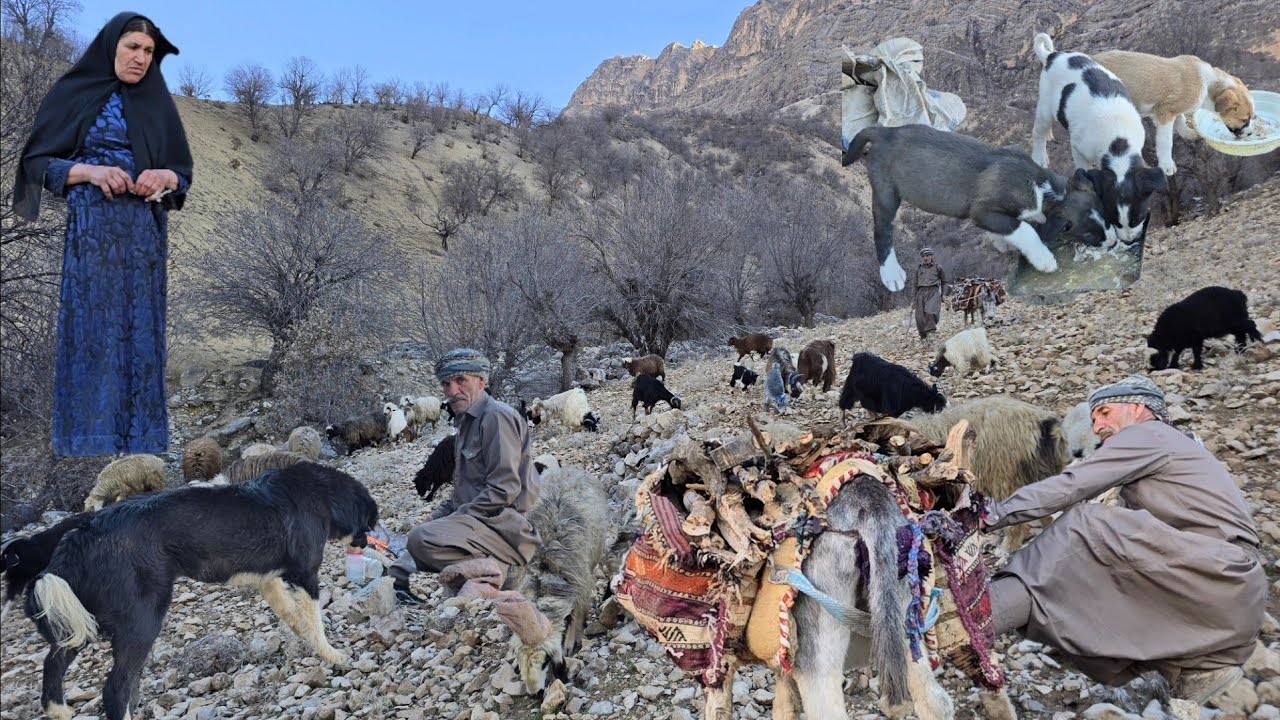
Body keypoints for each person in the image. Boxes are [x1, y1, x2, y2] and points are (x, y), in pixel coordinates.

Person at [982, 375, 1265, 706]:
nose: (1097, 427)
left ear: (1138, 408)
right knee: (1095, 565)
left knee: (1083, 525)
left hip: (1218, 573)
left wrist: (988, 514)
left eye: (1104, 413)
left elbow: (1072, 484)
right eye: (1092, 420)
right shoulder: (1178, 446)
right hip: (1226, 596)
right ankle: (1188, 666)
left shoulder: (1149, 434)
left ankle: (980, 614)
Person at [13, 12, 193, 457]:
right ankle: (87, 450)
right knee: (92, 335)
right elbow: (36, 163)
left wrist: (163, 176)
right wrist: (90, 172)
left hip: (144, 241)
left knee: (141, 339)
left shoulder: (157, 103)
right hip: (92, 239)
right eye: (133, 47)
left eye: (149, 51)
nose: (141, 58)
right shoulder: (75, 93)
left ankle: (142, 453)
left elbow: (182, 174)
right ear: (112, 46)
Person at [390, 349, 540, 605]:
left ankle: (497, 569)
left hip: (505, 526)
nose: (452, 390)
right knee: (421, 532)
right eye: (446, 384)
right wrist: (435, 518)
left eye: (461, 380)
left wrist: (451, 520)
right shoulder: (467, 423)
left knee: (421, 539)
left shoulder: (496, 417)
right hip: (480, 522)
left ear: (483, 381)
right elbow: (464, 492)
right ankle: (403, 580)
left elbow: (504, 489)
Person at [912, 247, 948, 342]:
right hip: (921, 294)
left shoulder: (938, 268)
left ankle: (931, 335)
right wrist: (914, 300)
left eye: (927, 256)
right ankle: (923, 337)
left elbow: (944, 282)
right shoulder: (918, 269)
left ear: (931, 256)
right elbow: (915, 285)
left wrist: (943, 295)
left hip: (933, 293)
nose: (925, 258)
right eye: (923, 256)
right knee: (919, 318)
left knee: (930, 313)